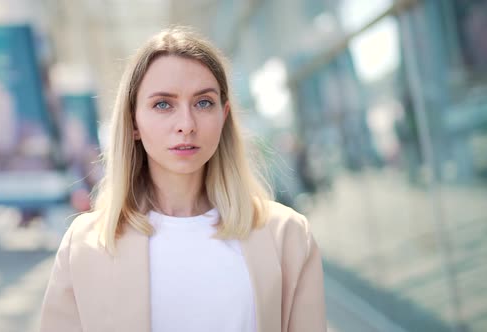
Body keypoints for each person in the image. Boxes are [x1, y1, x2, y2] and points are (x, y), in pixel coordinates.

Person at [39, 26, 326, 332]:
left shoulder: (287, 235)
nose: (186, 124)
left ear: (224, 115)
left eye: (203, 103)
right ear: (133, 121)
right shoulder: (86, 242)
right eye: (163, 104)